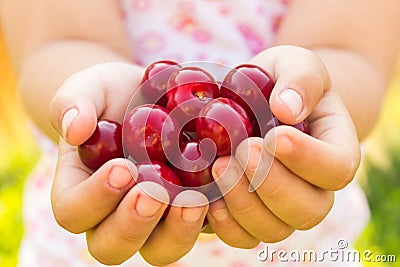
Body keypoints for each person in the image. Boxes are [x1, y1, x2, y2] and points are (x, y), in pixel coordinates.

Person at [1, 0, 399, 266]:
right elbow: (59, 40)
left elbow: (349, 51)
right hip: (82, 244)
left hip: (299, 250)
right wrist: (89, 97)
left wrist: (306, 89)